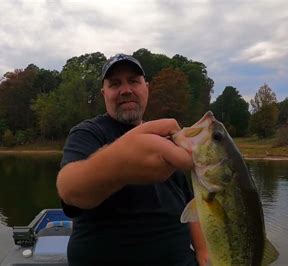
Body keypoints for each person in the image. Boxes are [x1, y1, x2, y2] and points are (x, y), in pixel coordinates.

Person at [57, 53, 208, 266]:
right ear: (104, 94)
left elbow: (192, 202)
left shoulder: (170, 136)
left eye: (134, 81)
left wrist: (203, 253)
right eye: (115, 84)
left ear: (147, 88)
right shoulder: (87, 133)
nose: (126, 90)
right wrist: (121, 162)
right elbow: (69, 190)